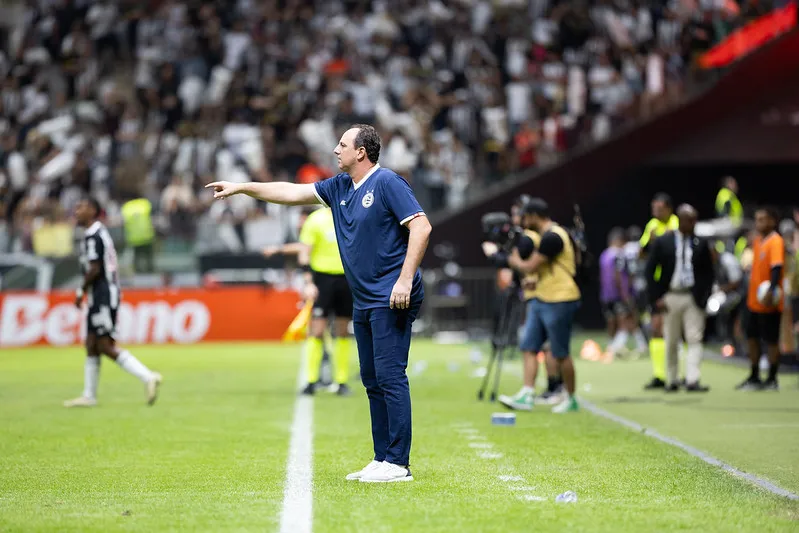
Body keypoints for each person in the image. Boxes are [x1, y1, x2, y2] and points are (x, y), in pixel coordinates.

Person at [207, 124, 432, 483]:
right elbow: (290, 192)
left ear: (361, 152)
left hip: (391, 294)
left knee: (390, 376)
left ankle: (399, 463)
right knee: (372, 379)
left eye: (342, 144)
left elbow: (421, 227)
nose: (335, 149)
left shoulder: (388, 182)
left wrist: (405, 280)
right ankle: (382, 457)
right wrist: (243, 188)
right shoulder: (339, 186)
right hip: (365, 297)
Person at [64, 197, 162, 408]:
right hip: (101, 294)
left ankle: (147, 376)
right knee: (91, 342)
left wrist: (81, 290)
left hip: (103, 295)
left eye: (80, 206)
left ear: (92, 210)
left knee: (104, 344)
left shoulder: (94, 236)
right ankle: (89, 395)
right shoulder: (98, 233)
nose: (76, 211)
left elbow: (95, 268)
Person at [264, 205, 354, 396]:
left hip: (346, 278)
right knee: (317, 329)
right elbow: (304, 251)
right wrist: (308, 282)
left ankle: (342, 381)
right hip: (322, 279)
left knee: (342, 330)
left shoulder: (351, 216)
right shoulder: (316, 220)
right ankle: (311, 380)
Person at [508, 198, 581, 413]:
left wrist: (514, 261)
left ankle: (571, 397)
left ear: (533, 216)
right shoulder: (544, 236)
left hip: (560, 298)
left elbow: (531, 264)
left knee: (560, 352)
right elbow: (543, 270)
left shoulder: (553, 236)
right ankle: (527, 393)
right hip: (541, 297)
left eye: (525, 216)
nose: (523, 221)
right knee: (529, 346)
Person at [644, 204, 714, 392]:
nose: (691, 224)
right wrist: (656, 297)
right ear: (680, 220)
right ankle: (672, 379)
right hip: (671, 295)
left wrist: (704, 296)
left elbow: (709, 273)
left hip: (692, 296)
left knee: (694, 338)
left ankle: (692, 379)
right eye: (688, 220)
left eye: (693, 220)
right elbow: (650, 270)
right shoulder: (664, 241)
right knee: (671, 339)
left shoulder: (700, 243)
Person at [737, 207, 784, 391]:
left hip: (768, 301)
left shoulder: (775, 241)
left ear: (773, 221)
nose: (759, 224)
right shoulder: (757, 241)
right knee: (752, 338)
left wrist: (771, 290)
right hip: (753, 301)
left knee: (771, 340)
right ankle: (754, 375)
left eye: (763, 220)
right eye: (757, 220)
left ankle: (772, 378)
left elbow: (776, 268)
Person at [639, 193, 679, 390]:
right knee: (656, 328)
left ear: (669, 209)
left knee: (677, 330)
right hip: (656, 285)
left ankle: (680, 374)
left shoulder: (678, 224)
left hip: (675, 284)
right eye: (653, 208)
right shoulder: (652, 225)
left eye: (659, 208)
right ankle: (659, 374)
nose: (656, 212)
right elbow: (642, 253)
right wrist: (651, 242)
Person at [599, 228, 635, 356]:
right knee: (624, 322)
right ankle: (614, 349)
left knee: (611, 322)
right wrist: (625, 294)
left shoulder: (603, 255)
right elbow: (618, 276)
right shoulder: (618, 255)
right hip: (617, 294)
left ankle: (611, 346)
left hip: (605, 295)